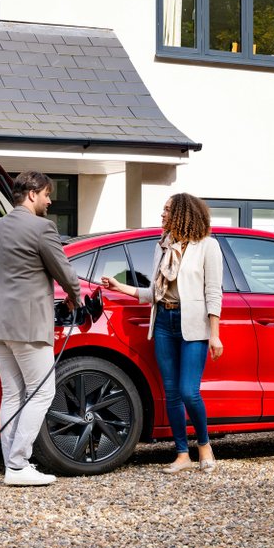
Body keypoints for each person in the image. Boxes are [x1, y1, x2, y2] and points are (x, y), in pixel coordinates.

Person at [0, 171, 81, 486]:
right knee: (43, 391)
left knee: (13, 394)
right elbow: (66, 273)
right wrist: (76, 299)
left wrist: (5, 273)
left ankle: (12, 466)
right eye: (46, 195)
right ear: (31, 194)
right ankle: (18, 465)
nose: (49, 201)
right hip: (28, 323)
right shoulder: (42, 228)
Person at [101, 193, 223, 474]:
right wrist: (121, 287)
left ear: (182, 214)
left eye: (167, 210)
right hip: (164, 321)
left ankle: (204, 445)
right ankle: (182, 453)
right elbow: (154, 294)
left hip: (193, 324)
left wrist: (214, 334)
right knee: (171, 393)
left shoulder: (207, 247)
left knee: (188, 391)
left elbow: (213, 293)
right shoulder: (162, 248)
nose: (162, 215)